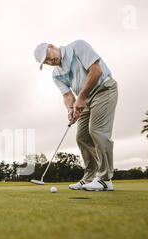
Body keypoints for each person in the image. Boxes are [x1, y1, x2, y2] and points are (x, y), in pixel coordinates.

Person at [34, 40, 118, 191]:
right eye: (45, 62)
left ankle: (105, 179)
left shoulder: (78, 47)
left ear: (52, 46)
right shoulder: (56, 75)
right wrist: (70, 110)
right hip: (85, 99)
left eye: (48, 57)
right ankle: (91, 177)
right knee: (82, 137)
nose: (49, 61)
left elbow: (96, 71)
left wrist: (81, 97)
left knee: (97, 131)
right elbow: (67, 96)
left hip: (104, 89)